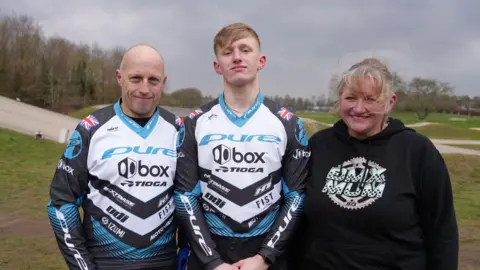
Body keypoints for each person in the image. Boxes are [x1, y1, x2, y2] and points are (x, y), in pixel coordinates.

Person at [294, 57, 459, 269]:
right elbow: (298, 220)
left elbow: (442, 234)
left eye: (370, 99)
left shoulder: (417, 151)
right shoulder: (318, 145)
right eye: (351, 98)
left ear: (390, 102)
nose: (359, 108)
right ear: (340, 99)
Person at [173, 22, 310, 270]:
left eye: (245, 50)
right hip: (210, 255)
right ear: (217, 66)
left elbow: (296, 198)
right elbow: (185, 197)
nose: (237, 57)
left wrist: (265, 256)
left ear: (261, 60)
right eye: (227, 52)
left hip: (267, 255)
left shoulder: (288, 123)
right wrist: (213, 262)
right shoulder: (194, 122)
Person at [47, 44, 188, 270]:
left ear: (163, 82)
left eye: (153, 80)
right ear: (119, 78)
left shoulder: (180, 130)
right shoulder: (91, 128)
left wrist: (188, 250)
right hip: (105, 262)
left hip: (165, 262)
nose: (144, 88)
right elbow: (62, 203)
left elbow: (191, 197)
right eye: (136, 78)